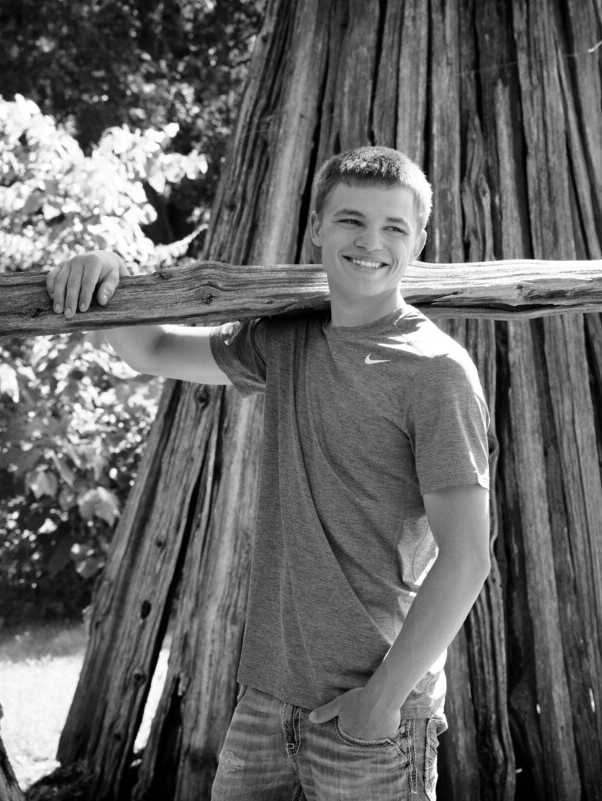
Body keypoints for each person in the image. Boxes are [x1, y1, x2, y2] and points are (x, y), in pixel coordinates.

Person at [47, 146, 492, 800]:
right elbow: (155, 348)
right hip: (267, 700)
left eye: (394, 227)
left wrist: (383, 698)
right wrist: (113, 270)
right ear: (316, 227)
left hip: (372, 704)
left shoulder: (436, 373)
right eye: (350, 220)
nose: (371, 241)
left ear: (419, 239)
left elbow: (467, 558)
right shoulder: (287, 341)